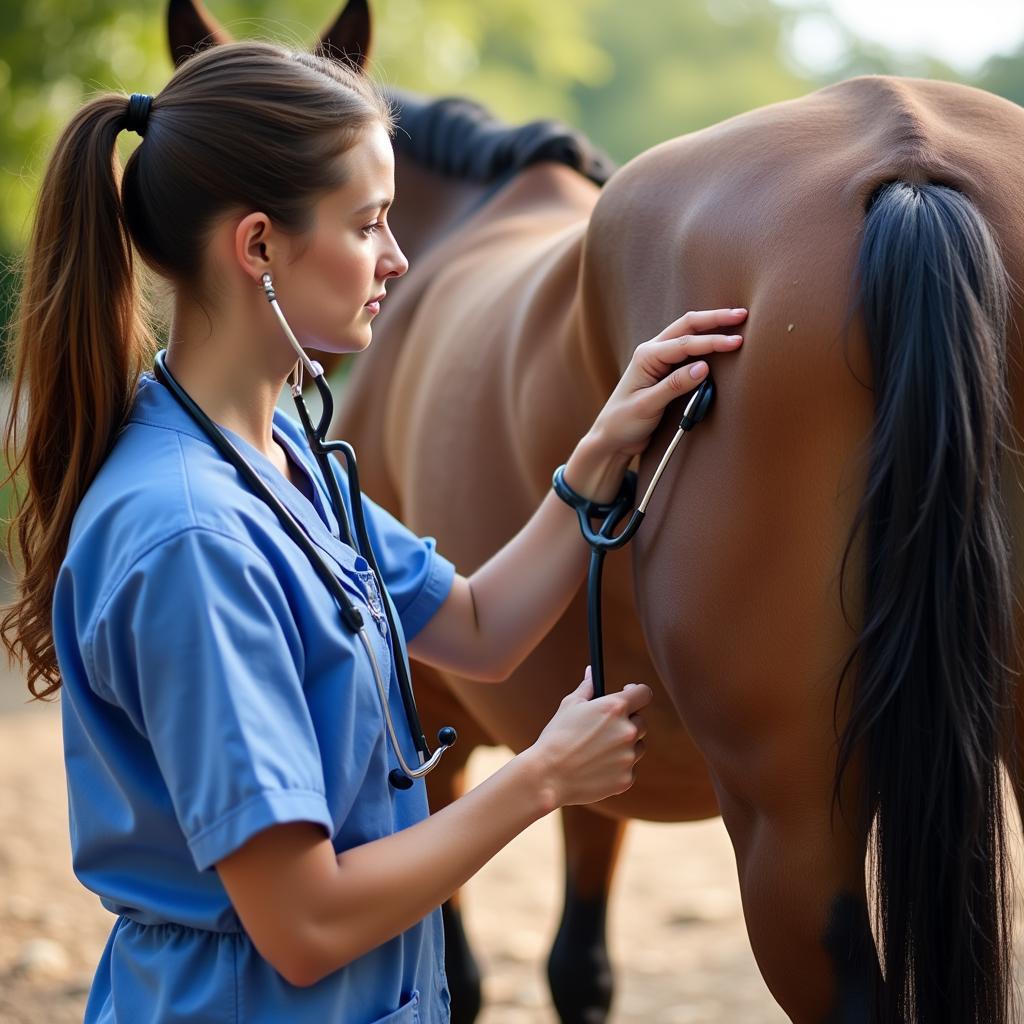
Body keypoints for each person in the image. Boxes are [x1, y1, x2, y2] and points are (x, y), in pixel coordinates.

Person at [1, 41, 745, 1024]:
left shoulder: (287, 458)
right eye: (368, 225)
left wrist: (598, 455)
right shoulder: (190, 536)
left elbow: (479, 627)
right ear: (259, 245)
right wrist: (540, 778)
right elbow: (303, 921)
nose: (398, 258)